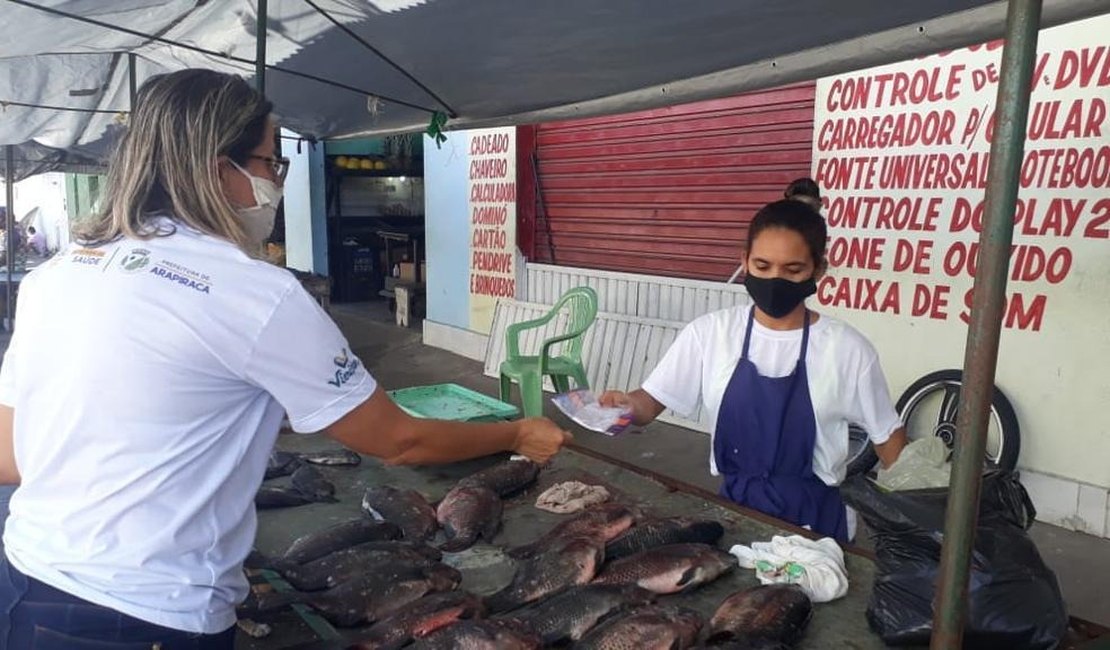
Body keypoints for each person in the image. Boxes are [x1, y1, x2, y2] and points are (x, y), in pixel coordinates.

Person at [0, 69, 571, 649]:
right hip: (144, 612)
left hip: (26, 580)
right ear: (220, 168)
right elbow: (400, 442)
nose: (276, 182)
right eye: (271, 163)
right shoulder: (253, 292)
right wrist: (517, 433)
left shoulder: (60, 273)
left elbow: (10, 456)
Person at [601, 200, 907, 543]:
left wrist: (915, 526)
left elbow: (889, 439)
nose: (775, 280)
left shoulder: (848, 350)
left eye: (793, 270)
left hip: (815, 525)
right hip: (736, 511)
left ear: (818, 270)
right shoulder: (711, 334)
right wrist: (625, 405)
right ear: (744, 260)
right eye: (762, 265)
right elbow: (651, 402)